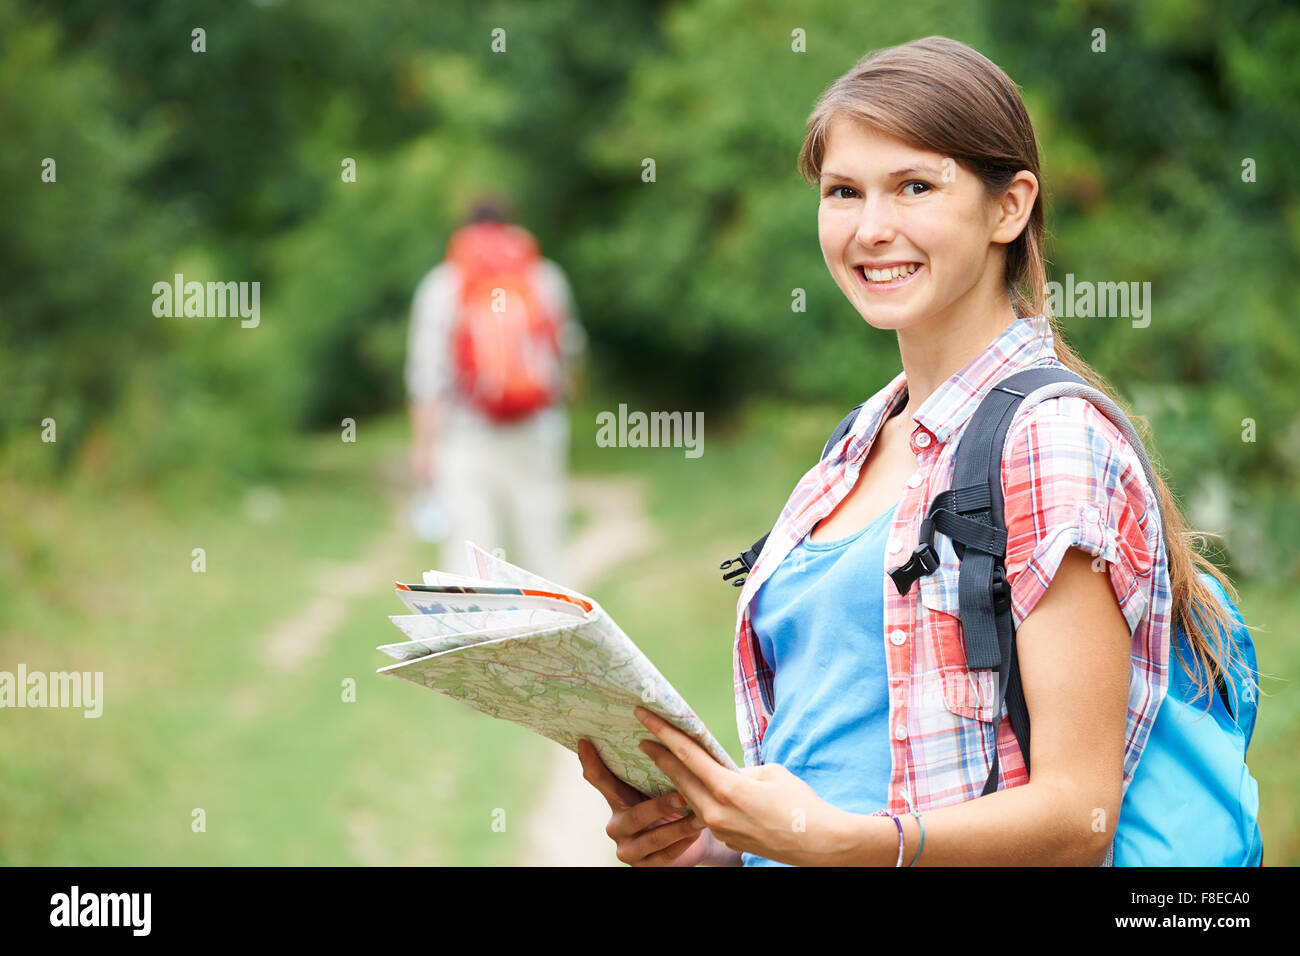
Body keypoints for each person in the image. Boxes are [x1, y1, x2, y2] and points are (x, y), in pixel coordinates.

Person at [577, 36, 1251, 866]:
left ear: (1009, 208)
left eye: (915, 187)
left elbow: (1078, 822)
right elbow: (834, 784)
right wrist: (709, 848)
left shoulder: (1050, 441)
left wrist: (852, 845)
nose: (871, 229)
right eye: (843, 192)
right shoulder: (857, 443)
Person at [405, 195, 585, 582]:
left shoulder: (444, 284)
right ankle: (555, 638)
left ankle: (476, 639)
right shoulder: (544, 277)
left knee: (471, 562)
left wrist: (424, 453)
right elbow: (568, 356)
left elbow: (427, 378)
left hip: (467, 437)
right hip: (537, 432)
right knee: (544, 551)